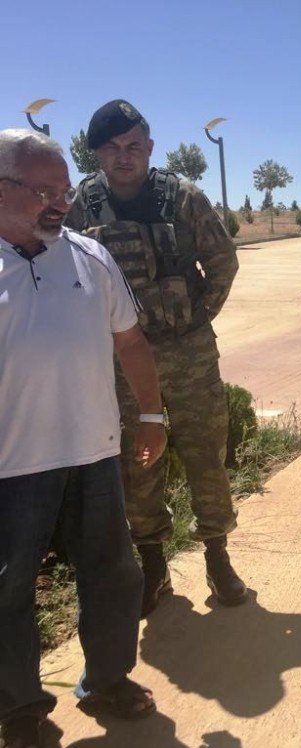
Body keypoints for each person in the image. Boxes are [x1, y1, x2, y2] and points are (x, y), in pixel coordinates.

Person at [0, 129, 165, 748]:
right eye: (45, 191)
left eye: (66, 192)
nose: (60, 204)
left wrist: (151, 416)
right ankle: (20, 711)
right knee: (9, 591)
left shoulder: (91, 258)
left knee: (112, 574)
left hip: (94, 452)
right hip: (11, 465)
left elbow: (129, 339)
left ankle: (107, 679)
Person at [64, 100, 245, 616]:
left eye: (134, 146)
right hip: (123, 363)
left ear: (149, 147)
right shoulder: (82, 206)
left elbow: (222, 261)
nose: (125, 157)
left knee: (205, 453)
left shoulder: (183, 198)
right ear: (98, 152)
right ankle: (154, 566)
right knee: (137, 462)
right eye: (113, 148)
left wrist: (196, 317)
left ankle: (217, 557)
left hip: (187, 354)